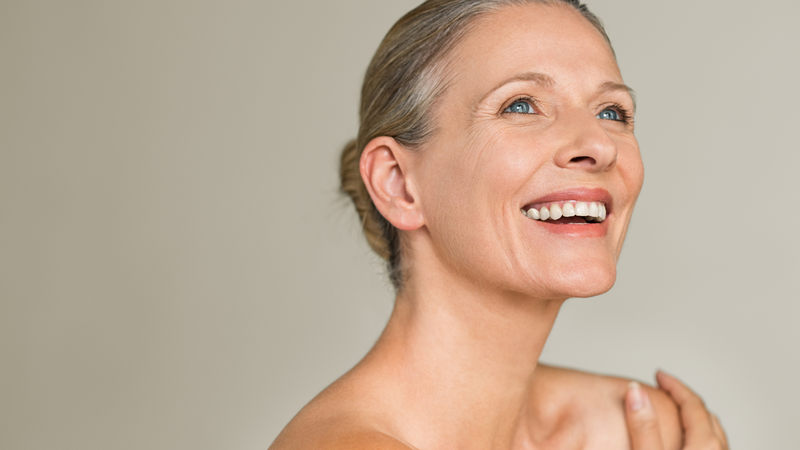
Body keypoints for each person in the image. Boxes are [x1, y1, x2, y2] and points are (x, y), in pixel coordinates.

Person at [271, 0, 728, 448]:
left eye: (612, 112)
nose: (600, 145)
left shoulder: (642, 432)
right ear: (398, 184)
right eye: (521, 105)